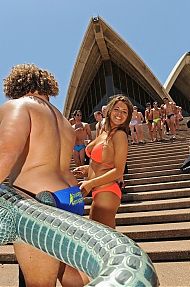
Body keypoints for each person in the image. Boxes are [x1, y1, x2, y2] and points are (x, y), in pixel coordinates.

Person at [0, 64, 87, 287]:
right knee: (69, 273)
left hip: (38, 201)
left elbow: (6, 154)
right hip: (71, 198)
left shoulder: (18, 106)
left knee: (40, 284)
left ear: (15, 85)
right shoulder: (64, 121)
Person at [73, 94, 133, 228]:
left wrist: (90, 183)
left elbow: (118, 171)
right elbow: (103, 163)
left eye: (124, 112)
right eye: (117, 109)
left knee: (104, 242)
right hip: (99, 191)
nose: (120, 114)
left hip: (107, 191)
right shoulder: (104, 133)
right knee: (98, 241)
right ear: (110, 110)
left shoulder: (120, 135)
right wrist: (87, 169)